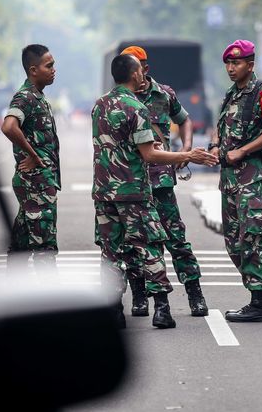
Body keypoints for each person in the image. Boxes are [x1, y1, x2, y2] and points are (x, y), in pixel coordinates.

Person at [92, 53, 217, 329]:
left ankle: (114, 310)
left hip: (106, 193)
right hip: (135, 190)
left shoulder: (100, 105)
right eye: (138, 69)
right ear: (134, 72)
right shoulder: (136, 107)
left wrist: (181, 150)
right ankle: (161, 308)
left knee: (112, 252)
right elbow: (148, 154)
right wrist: (189, 155)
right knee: (149, 247)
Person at [120, 45, 209, 318]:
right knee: (134, 244)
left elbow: (185, 120)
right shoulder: (119, 100)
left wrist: (186, 149)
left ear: (145, 68)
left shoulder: (164, 94)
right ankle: (139, 297)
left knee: (176, 240)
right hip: (132, 184)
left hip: (160, 183)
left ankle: (195, 294)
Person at [208, 39, 262, 323]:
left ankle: (260, 302)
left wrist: (244, 149)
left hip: (251, 178)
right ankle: (256, 295)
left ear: (250, 65)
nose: (231, 68)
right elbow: (220, 131)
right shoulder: (231, 95)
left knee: (252, 238)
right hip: (228, 179)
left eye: (236, 63)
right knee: (233, 242)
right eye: (228, 63)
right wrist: (214, 146)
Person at [1, 44, 61, 275]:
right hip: (36, 184)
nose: (54, 69)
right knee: (44, 246)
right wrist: (33, 155)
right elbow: (8, 127)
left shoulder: (37, 97)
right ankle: (49, 302)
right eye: (49, 65)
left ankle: (13, 295)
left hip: (36, 183)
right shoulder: (25, 97)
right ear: (33, 70)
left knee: (21, 244)